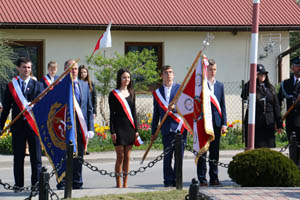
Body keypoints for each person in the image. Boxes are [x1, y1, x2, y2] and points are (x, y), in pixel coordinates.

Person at [0, 57, 43, 190]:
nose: (27, 70)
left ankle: (36, 185)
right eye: (24, 67)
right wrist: (0, 126)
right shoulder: (12, 86)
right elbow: (6, 108)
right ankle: (18, 184)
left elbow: (43, 106)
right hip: (18, 127)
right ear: (18, 68)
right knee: (18, 158)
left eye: (29, 67)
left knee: (36, 159)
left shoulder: (38, 86)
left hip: (33, 126)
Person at [57, 59, 94, 190]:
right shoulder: (60, 85)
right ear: (65, 70)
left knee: (79, 155)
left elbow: (89, 108)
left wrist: (90, 128)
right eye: (71, 68)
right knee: (64, 155)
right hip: (65, 126)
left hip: (81, 126)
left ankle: (77, 181)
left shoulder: (84, 85)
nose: (74, 71)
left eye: (76, 68)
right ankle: (63, 181)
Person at [151, 65, 187, 187]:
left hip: (180, 127)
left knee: (179, 157)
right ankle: (168, 180)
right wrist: (153, 132)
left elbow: (187, 107)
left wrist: (175, 109)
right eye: (166, 72)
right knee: (167, 157)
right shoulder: (157, 92)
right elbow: (156, 114)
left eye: (171, 72)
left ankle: (178, 180)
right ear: (162, 75)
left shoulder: (180, 89)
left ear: (174, 74)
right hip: (166, 128)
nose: (169, 74)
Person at [197, 59, 227, 186]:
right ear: (206, 70)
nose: (212, 72)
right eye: (210, 69)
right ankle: (202, 179)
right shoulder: (200, 85)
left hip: (216, 122)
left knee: (215, 152)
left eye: (214, 69)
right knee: (203, 151)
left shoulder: (220, 85)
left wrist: (224, 123)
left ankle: (214, 177)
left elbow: (222, 105)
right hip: (204, 123)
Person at [108, 68, 138, 188]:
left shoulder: (132, 93)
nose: (127, 80)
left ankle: (125, 184)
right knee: (120, 156)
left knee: (127, 157)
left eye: (128, 77)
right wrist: (112, 131)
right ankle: (118, 184)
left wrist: (137, 130)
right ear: (120, 78)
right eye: (124, 77)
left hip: (130, 128)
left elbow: (134, 112)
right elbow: (111, 114)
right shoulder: (113, 94)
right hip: (118, 128)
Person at [241, 64, 282, 148]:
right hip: (256, 122)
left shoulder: (270, 88)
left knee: (269, 146)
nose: (262, 75)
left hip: (268, 122)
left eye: (264, 74)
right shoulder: (251, 87)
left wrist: (279, 124)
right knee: (256, 146)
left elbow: (276, 106)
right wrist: (252, 79)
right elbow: (244, 95)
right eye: (259, 74)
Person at [278, 56, 300, 146]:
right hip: (290, 121)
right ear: (292, 68)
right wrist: (278, 119)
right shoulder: (286, 84)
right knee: (293, 148)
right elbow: (277, 101)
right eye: (298, 66)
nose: (299, 68)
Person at [79, 65, 97, 155]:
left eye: (85, 72)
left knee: (87, 129)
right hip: (81, 109)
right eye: (81, 72)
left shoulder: (91, 83)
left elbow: (94, 98)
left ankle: (85, 148)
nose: (83, 74)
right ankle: (82, 147)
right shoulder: (77, 83)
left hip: (88, 109)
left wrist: (94, 111)